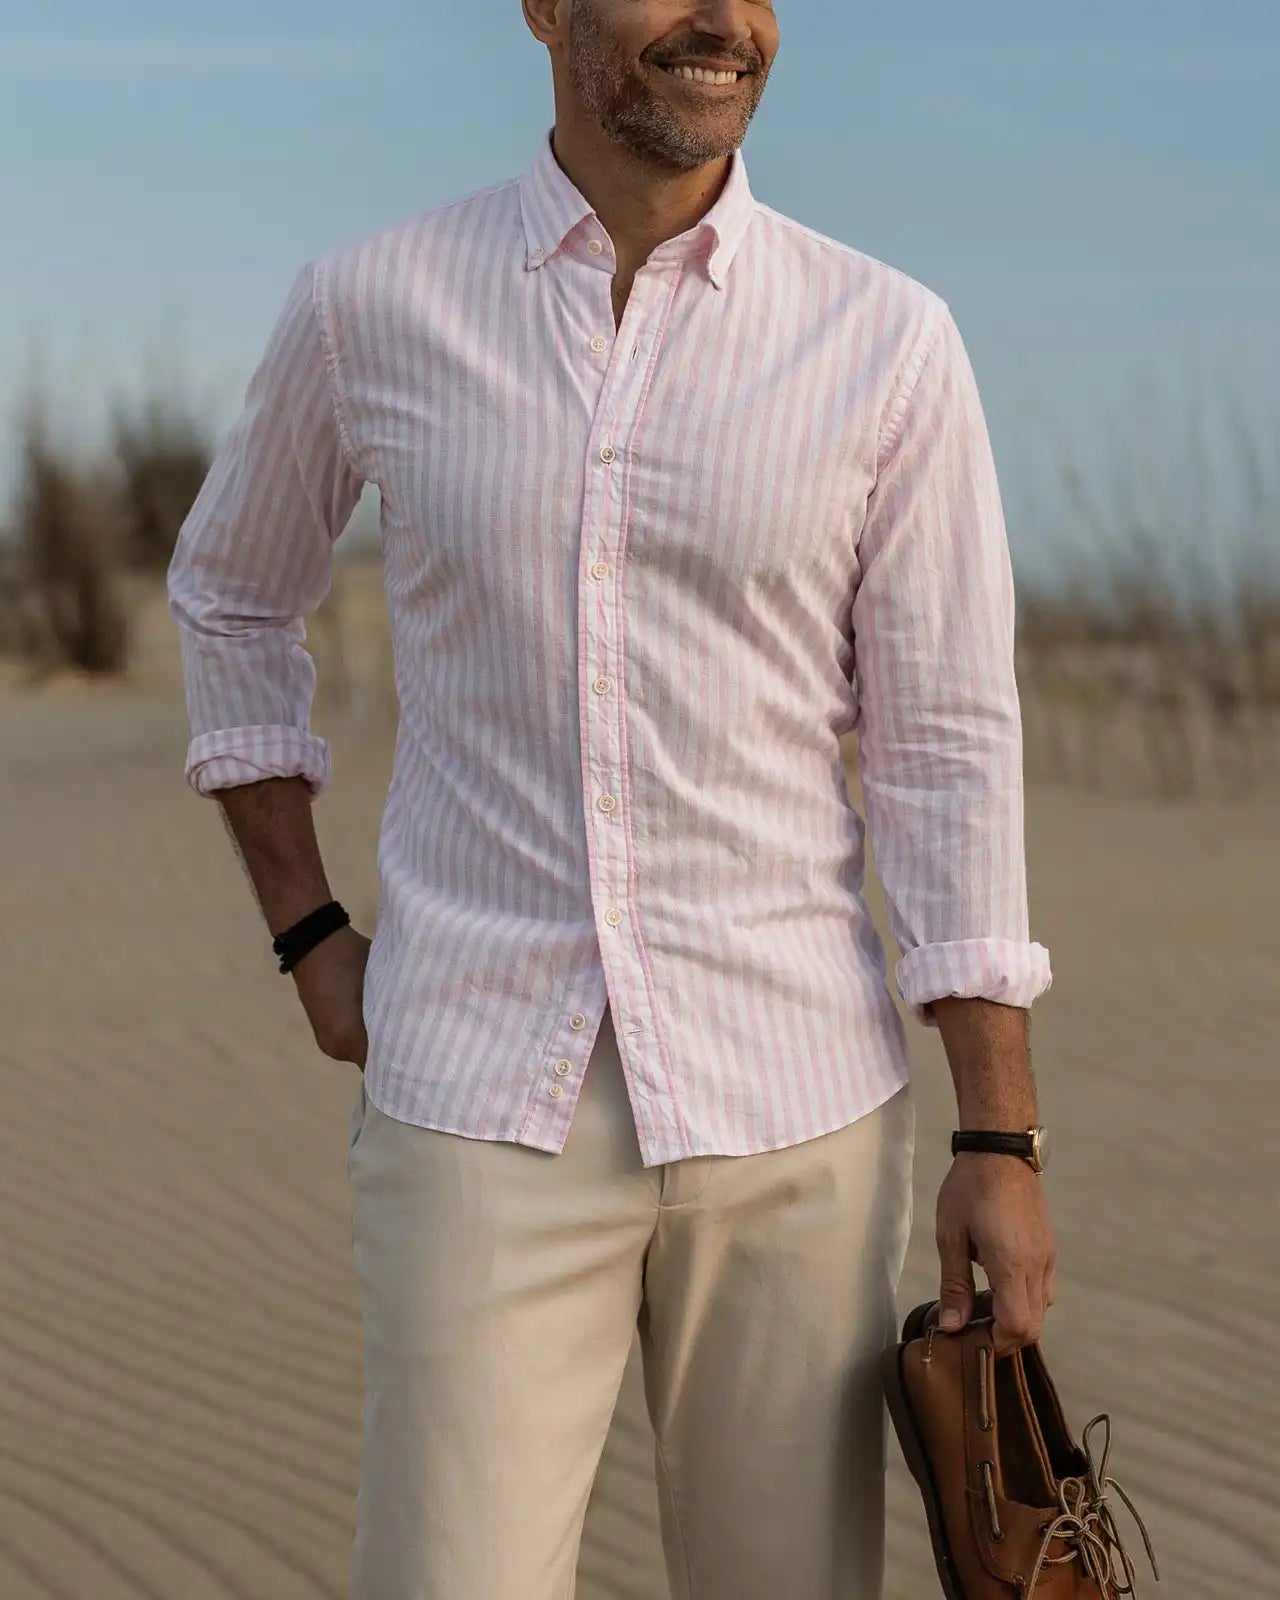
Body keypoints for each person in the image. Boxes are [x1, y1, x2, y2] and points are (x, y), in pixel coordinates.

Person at [166, 2, 1057, 1596]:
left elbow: (946, 743)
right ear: (545, 6)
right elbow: (231, 596)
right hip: (479, 1096)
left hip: (796, 1111)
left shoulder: (886, 338)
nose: (724, 21)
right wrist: (306, 930)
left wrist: (1000, 1126)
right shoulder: (371, 305)